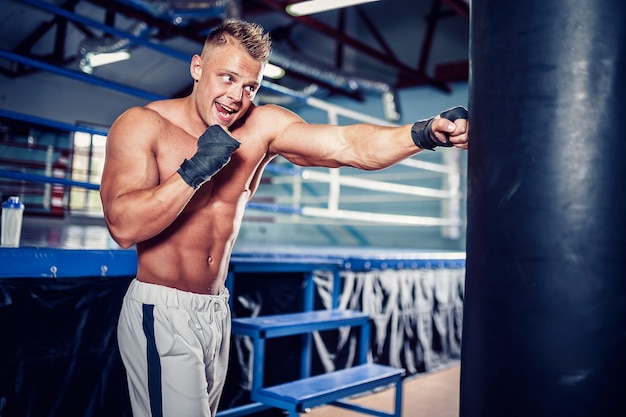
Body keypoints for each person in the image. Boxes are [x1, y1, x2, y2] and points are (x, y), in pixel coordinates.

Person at [100, 19, 469, 417]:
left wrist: (425, 132)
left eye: (250, 86)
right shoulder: (144, 124)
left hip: (214, 310)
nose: (235, 97)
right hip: (162, 310)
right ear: (196, 68)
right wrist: (195, 170)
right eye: (227, 78)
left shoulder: (262, 126)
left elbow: (348, 145)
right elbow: (124, 226)